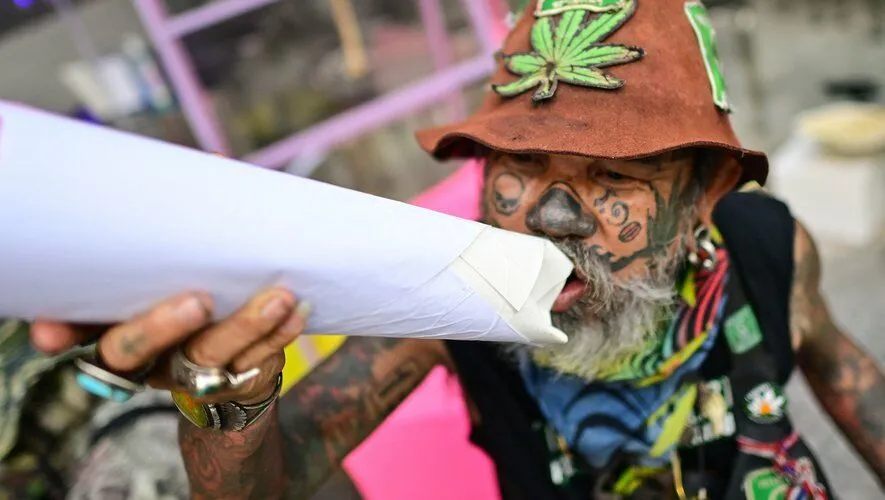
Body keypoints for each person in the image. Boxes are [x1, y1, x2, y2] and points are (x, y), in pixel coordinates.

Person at [29, 0, 885, 498]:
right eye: (517, 161)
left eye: (611, 174)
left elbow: (848, 379)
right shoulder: (450, 301)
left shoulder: (769, 245)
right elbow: (271, 484)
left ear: (704, 194)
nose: (549, 214)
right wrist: (229, 404)